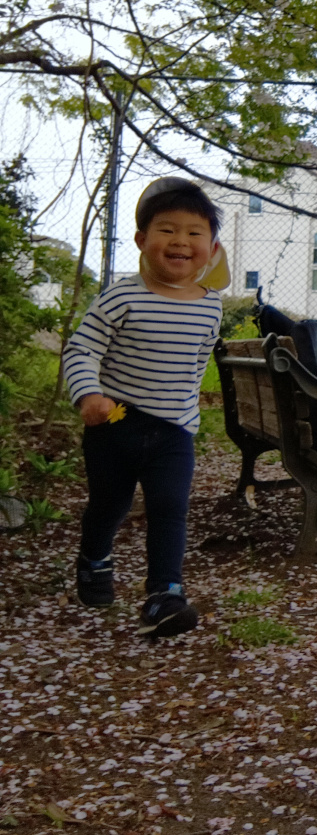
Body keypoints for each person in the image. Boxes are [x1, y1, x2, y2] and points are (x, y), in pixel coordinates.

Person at [63, 178, 228, 638]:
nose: (180, 241)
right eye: (167, 230)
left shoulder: (211, 307)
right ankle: (94, 559)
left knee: (170, 506)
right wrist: (89, 395)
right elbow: (80, 351)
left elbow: (196, 365)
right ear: (142, 241)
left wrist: (184, 412)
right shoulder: (122, 296)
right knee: (109, 504)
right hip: (116, 422)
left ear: (211, 247)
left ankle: (164, 595)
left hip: (174, 431)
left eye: (195, 233)